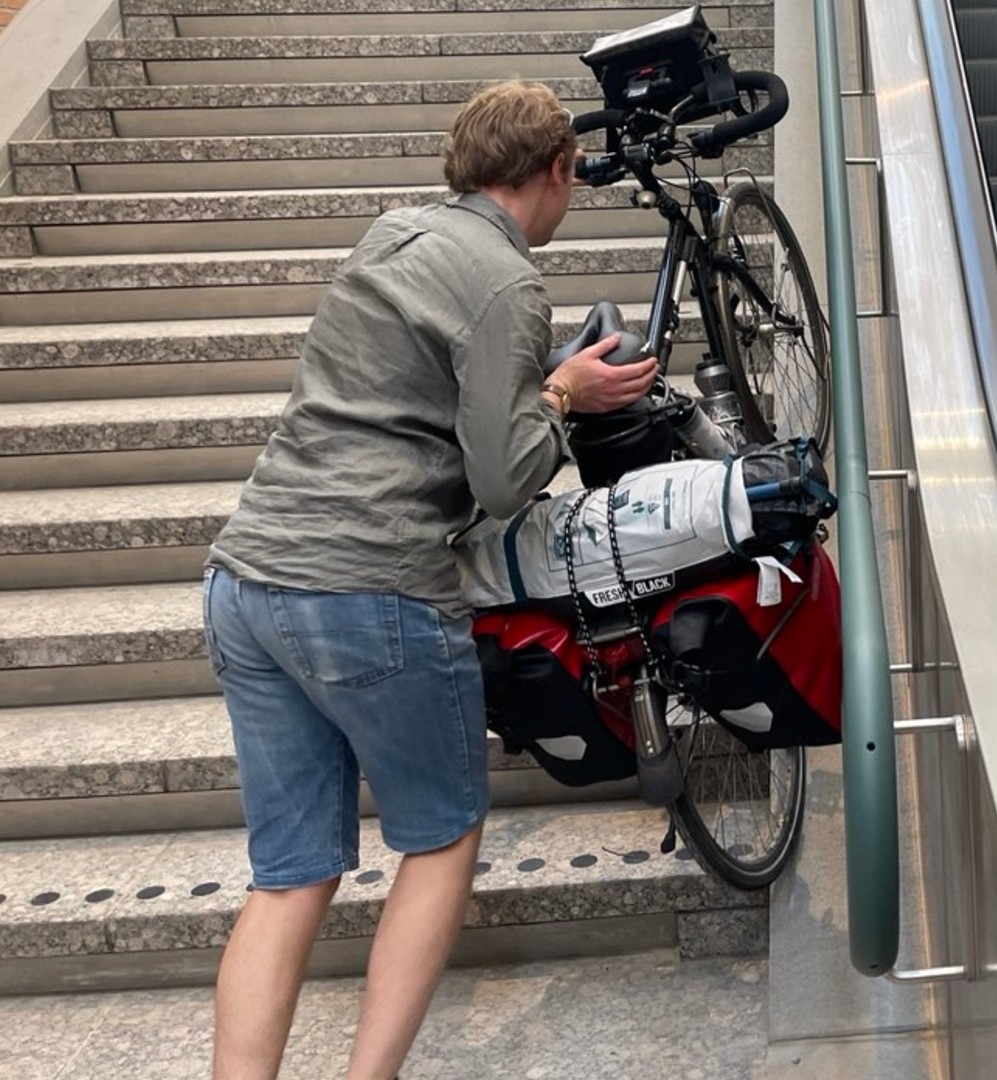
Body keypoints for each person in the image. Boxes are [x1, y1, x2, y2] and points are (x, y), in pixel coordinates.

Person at [201, 81, 657, 1079]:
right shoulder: (506, 280)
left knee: (286, 878)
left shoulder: (391, 234)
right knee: (441, 839)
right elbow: (503, 479)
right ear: (555, 170)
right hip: (369, 584)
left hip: (249, 574)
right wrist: (563, 392)